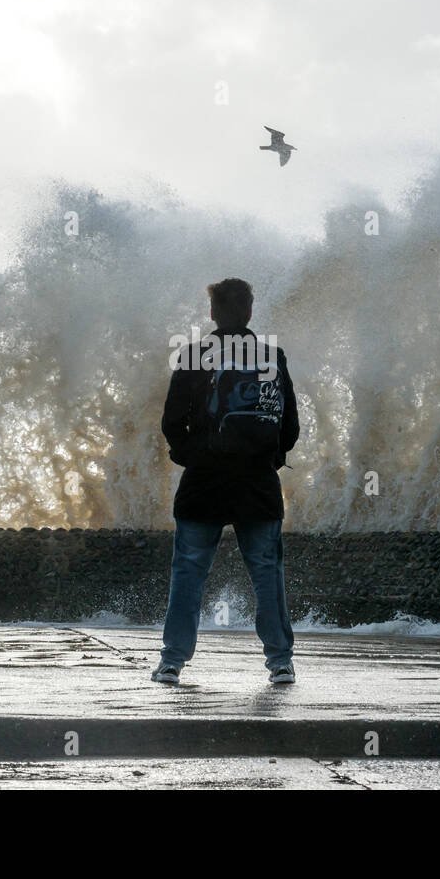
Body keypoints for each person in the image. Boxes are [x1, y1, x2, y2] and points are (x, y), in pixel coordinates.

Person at [154, 278, 300, 685]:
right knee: (267, 574)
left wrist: (194, 457)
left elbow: (171, 423)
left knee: (188, 572)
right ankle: (280, 663)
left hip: (204, 484)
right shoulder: (272, 356)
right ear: (250, 311)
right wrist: (268, 459)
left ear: (213, 312)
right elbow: (289, 426)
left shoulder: (194, 356)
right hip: (257, 485)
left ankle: (172, 662)